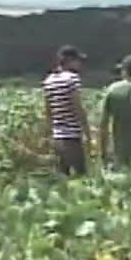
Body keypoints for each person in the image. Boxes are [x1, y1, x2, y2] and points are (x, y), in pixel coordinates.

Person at [42, 45, 92, 176]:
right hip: (72, 137)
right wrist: (87, 133)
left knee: (63, 177)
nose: (80, 64)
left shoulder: (48, 81)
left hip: (57, 136)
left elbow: (48, 112)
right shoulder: (72, 79)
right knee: (80, 177)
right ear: (70, 61)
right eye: (78, 61)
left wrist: (48, 136)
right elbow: (78, 108)